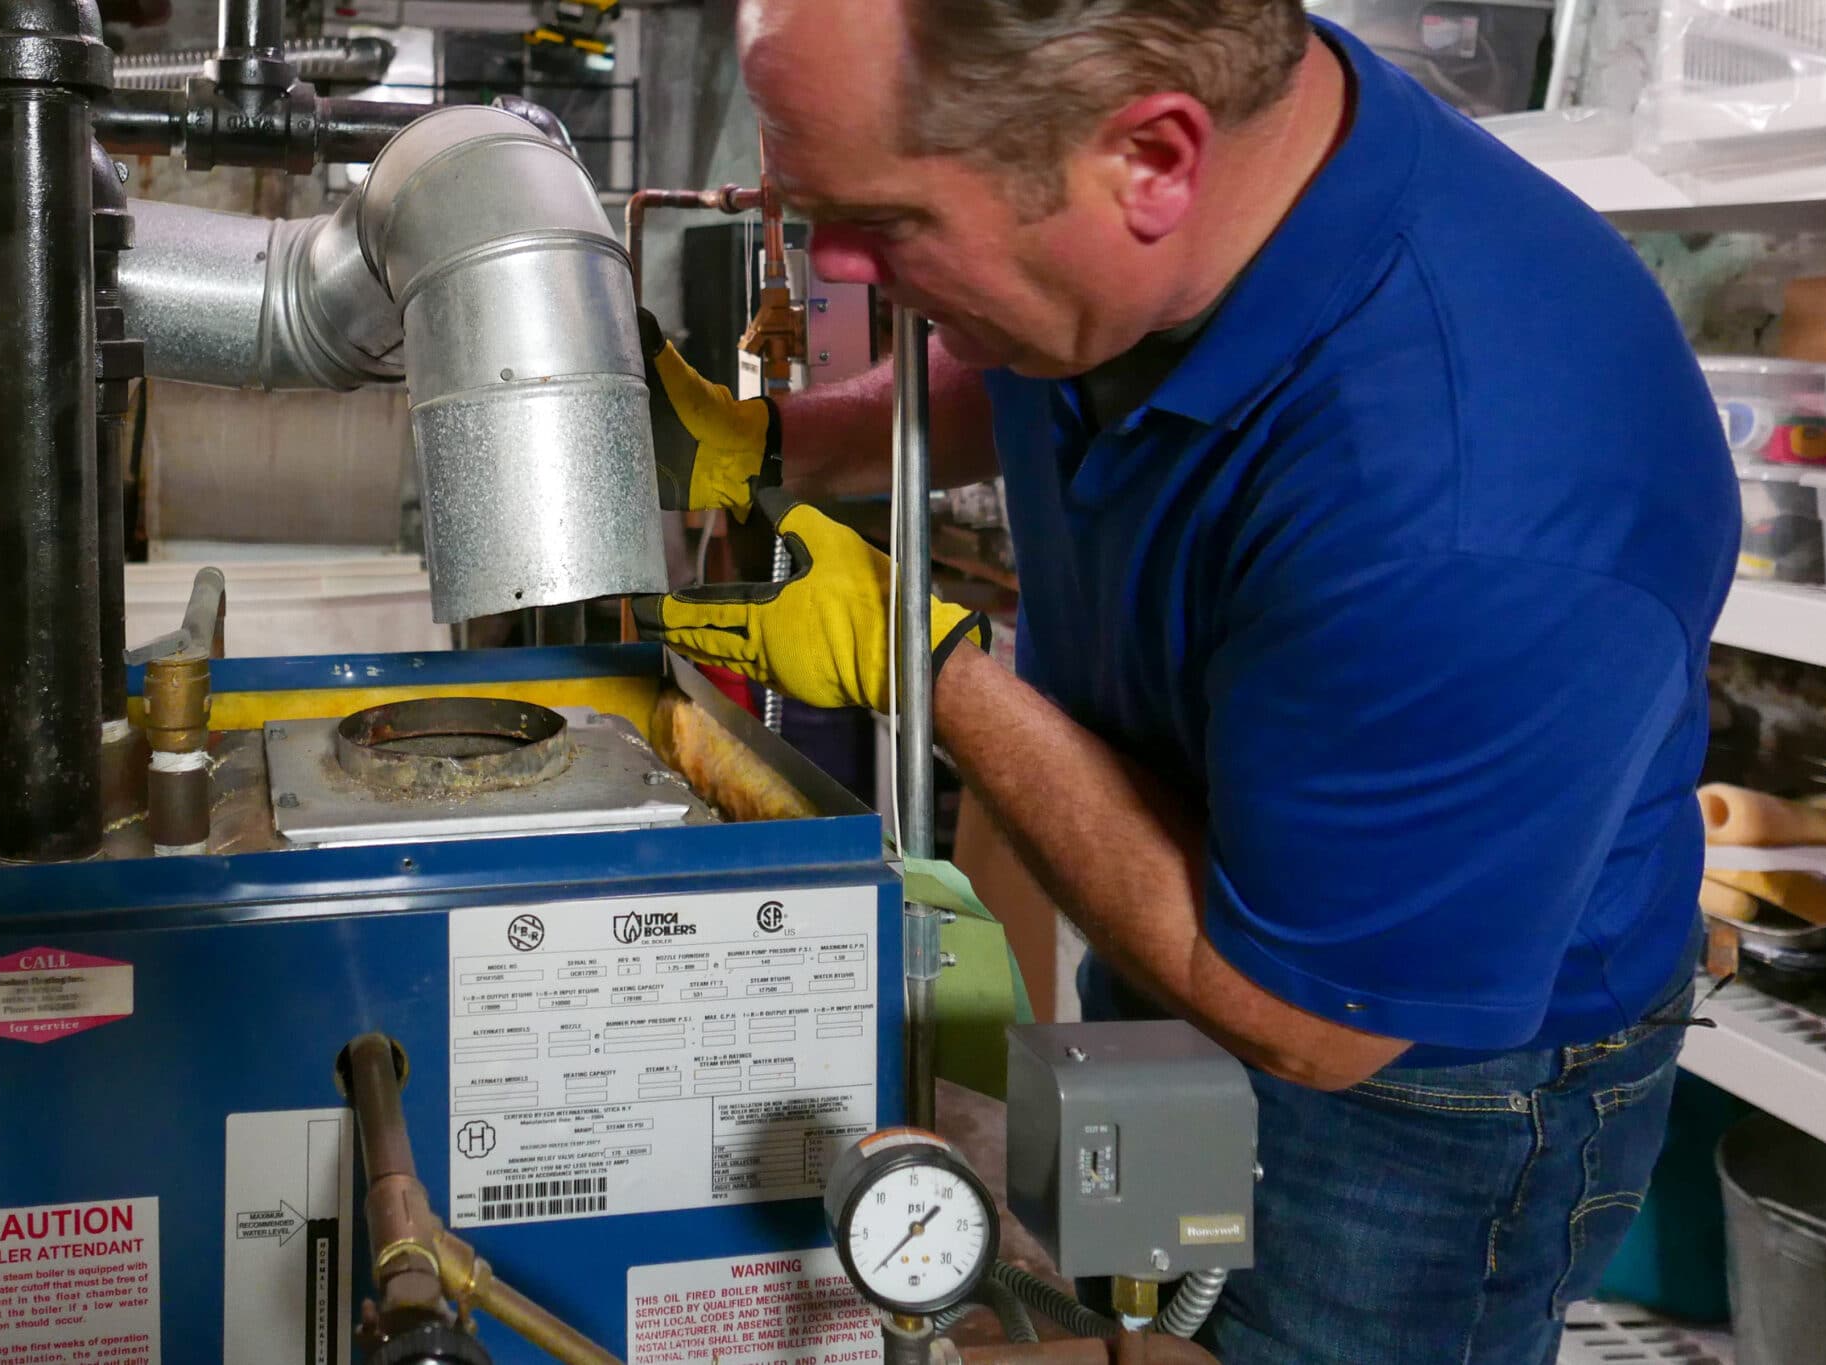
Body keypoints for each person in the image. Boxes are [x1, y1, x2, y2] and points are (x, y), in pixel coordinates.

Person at [634, 0, 1740, 1359]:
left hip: (1406, 1075)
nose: (840, 263)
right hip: (1189, 884)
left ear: (1153, 161)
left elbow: (1310, 1024)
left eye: (885, 222)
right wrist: (779, 446)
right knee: (1135, 1299)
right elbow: (1023, 357)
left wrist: (927, 666)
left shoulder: (1475, 491)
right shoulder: (1198, 184)